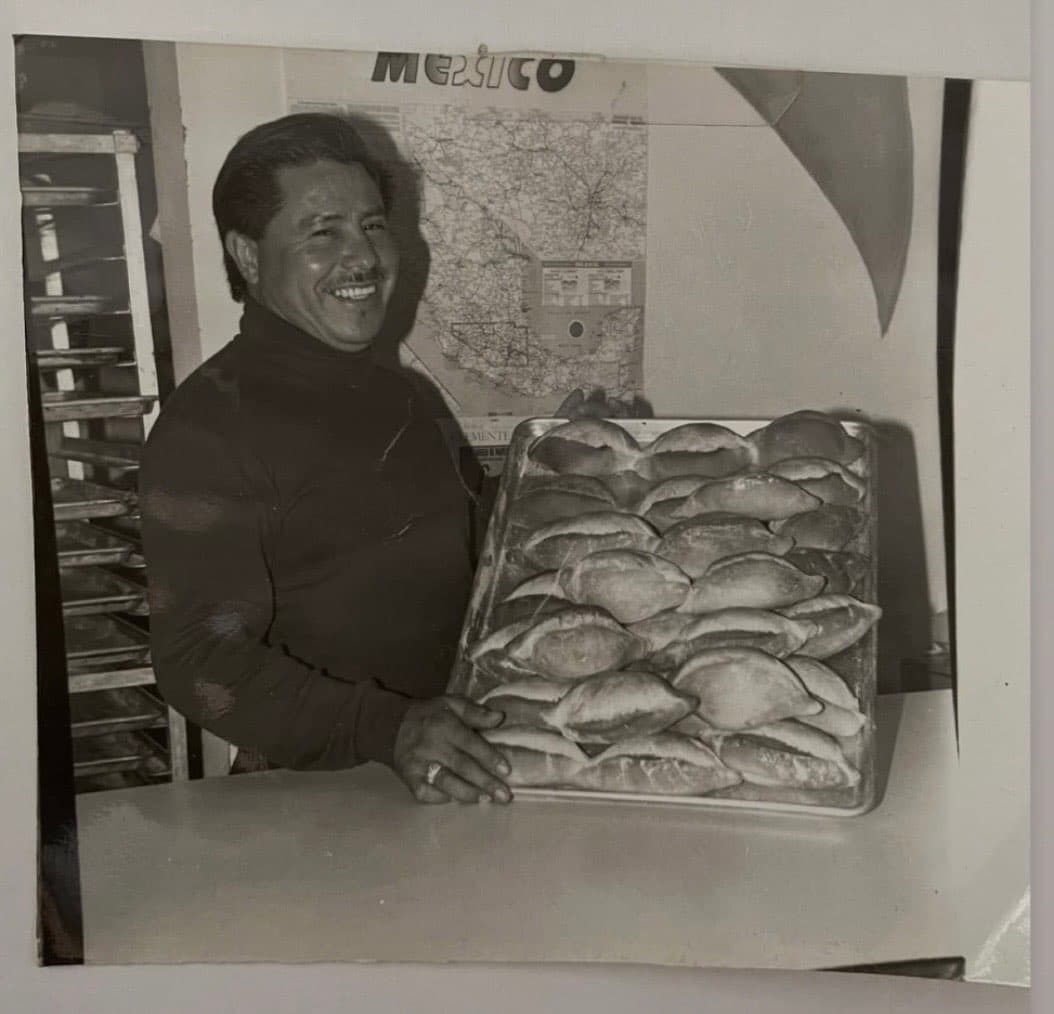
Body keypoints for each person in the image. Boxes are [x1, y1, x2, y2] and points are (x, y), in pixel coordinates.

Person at [140, 113, 639, 805]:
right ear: (249, 256)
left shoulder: (395, 391)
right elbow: (197, 661)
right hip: (319, 793)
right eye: (324, 232)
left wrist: (553, 461)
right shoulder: (211, 427)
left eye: (373, 226)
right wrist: (389, 729)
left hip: (451, 757)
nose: (364, 257)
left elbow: (462, 543)